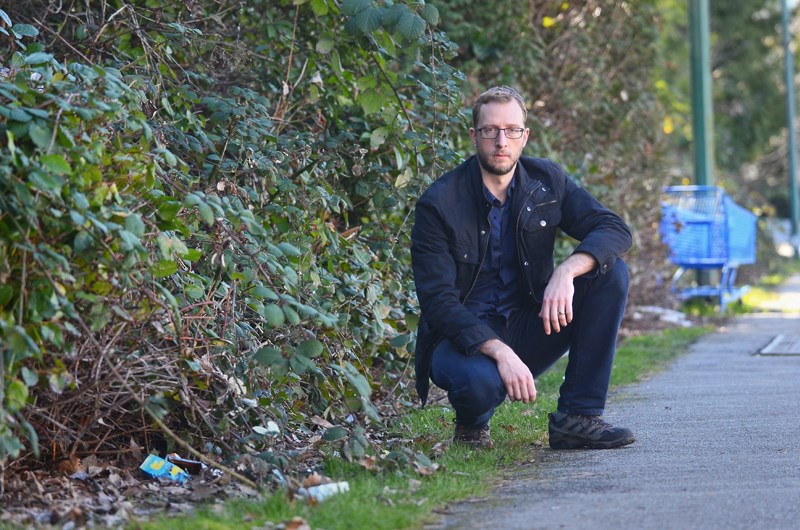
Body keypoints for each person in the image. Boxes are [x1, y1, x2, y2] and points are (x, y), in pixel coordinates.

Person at [410, 86, 635, 450]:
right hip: (463, 339)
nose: (502, 141)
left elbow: (613, 228)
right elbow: (438, 303)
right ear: (474, 136)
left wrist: (567, 271)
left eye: (512, 130)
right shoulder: (439, 204)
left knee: (610, 273)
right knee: (480, 382)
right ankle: (472, 425)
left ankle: (577, 417)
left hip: (531, 322)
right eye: (490, 130)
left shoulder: (546, 181)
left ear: (524, 136)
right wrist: (498, 350)